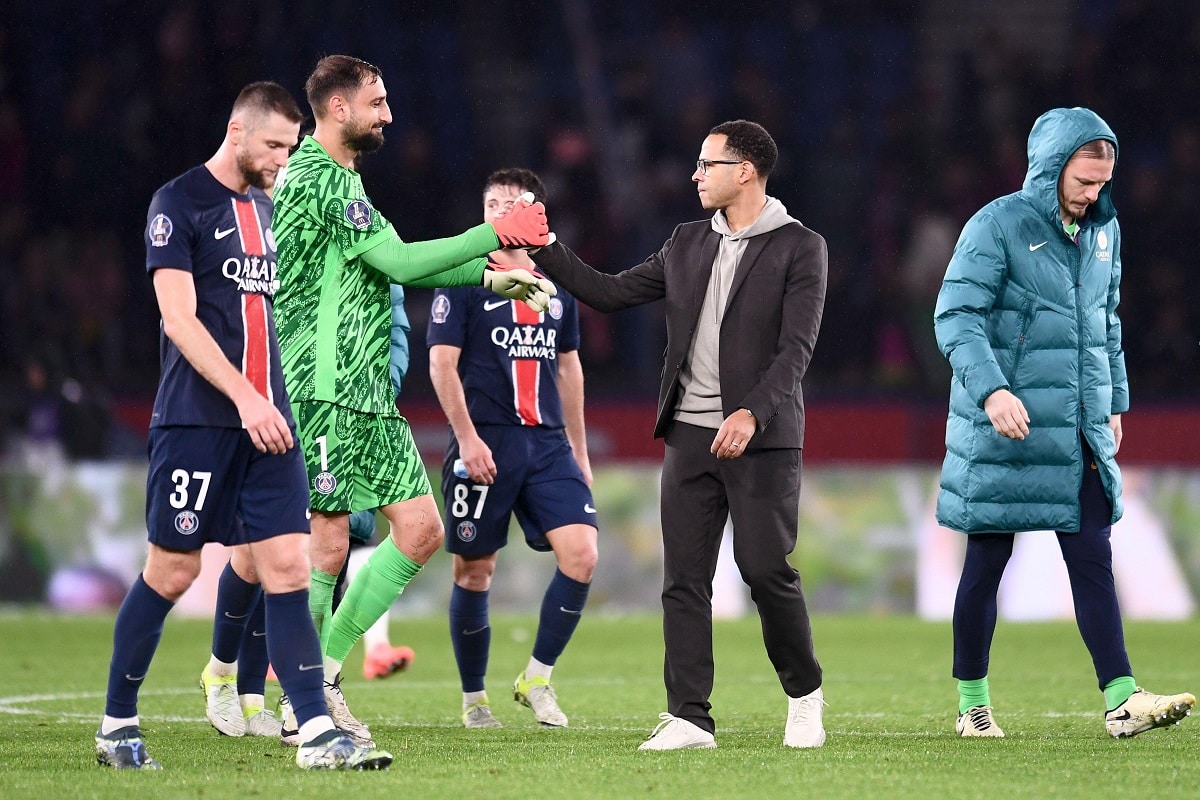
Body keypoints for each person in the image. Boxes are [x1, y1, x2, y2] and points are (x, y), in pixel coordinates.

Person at [95, 81, 392, 771]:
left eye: (292, 148)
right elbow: (179, 318)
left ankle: (316, 733)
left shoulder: (271, 208)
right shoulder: (179, 204)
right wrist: (244, 398)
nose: (284, 161)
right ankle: (116, 725)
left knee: (288, 570)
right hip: (198, 423)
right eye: (274, 147)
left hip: (272, 425)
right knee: (171, 572)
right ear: (237, 132)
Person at [270, 54, 553, 746]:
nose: (388, 114)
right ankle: (302, 699)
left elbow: (395, 257)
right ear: (338, 108)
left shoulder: (346, 179)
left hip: (369, 392)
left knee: (421, 531)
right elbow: (400, 264)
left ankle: (323, 674)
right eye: (378, 102)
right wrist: (496, 236)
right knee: (329, 538)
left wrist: (494, 279)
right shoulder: (314, 177)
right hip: (326, 386)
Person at [530, 120, 828, 750]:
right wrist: (546, 246)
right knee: (684, 579)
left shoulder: (801, 247)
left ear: (743, 169)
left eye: (706, 163)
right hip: (690, 437)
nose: (695, 174)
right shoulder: (686, 242)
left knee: (766, 570)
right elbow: (609, 294)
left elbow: (796, 351)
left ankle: (805, 697)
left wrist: (750, 413)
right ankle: (689, 716)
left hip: (761, 437)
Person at [933, 106, 1196, 739]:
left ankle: (1122, 698)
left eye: (1102, 183)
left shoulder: (1106, 232)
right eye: (1082, 181)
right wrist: (993, 391)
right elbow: (955, 316)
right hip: (1005, 426)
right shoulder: (996, 226)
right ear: (1050, 169)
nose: (1092, 194)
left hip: (1075, 427)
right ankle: (972, 703)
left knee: (1092, 560)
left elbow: (1106, 323)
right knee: (986, 566)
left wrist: (1114, 402)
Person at [200, 285, 414, 747]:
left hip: (355, 417)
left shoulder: (374, 246)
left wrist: (372, 391)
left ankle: (271, 697)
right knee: (259, 554)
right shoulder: (278, 241)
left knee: (308, 565)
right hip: (279, 407)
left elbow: (395, 335)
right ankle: (222, 673)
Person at [428, 168, 597, 729]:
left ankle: (537, 677)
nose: (500, 211)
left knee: (583, 554)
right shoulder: (463, 278)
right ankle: (474, 698)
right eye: (491, 202)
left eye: (512, 203)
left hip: (547, 445)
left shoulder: (555, 284)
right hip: (487, 443)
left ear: (535, 213)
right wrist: (468, 439)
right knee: (474, 573)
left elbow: (569, 367)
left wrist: (579, 450)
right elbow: (441, 365)